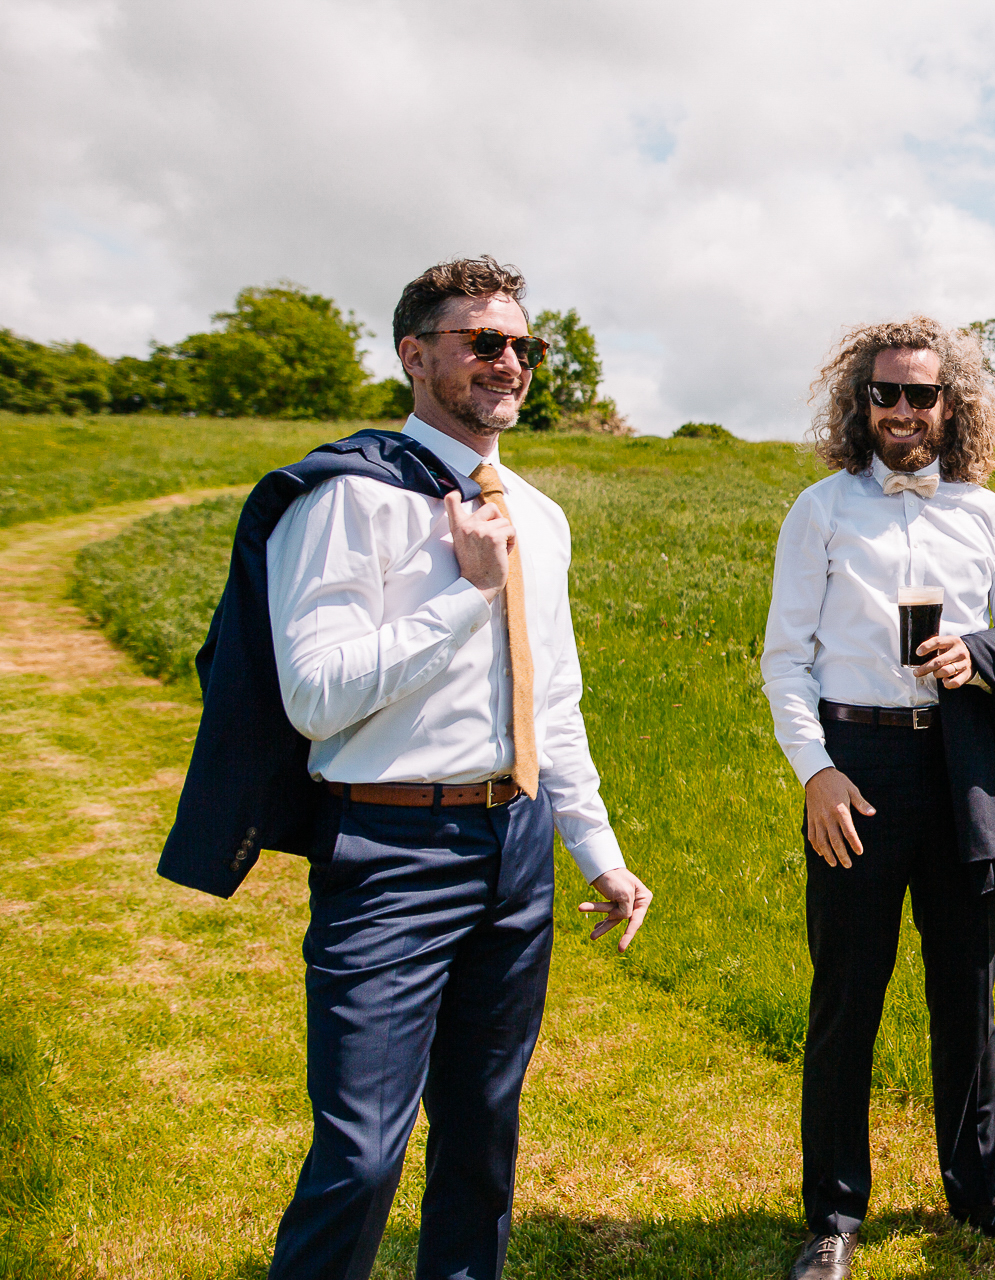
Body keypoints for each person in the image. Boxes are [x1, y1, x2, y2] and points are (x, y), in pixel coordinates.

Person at [158, 256, 652, 1280]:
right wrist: (464, 592)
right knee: (361, 1147)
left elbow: (550, 699)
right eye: (482, 340)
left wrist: (592, 847)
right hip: (388, 845)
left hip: (512, 846)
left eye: (522, 343)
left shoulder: (541, 516)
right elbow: (316, 695)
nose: (508, 360)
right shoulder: (349, 497)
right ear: (415, 354)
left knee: (482, 1132)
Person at [762, 316, 995, 1280]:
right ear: (859, 404)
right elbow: (785, 661)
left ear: (954, 405)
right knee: (847, 996)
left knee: (967, 989)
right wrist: (815, 773)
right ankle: (833, 1218)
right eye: (886, 393)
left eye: (923, 394)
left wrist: (977, 654)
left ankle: (979, 1192)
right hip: (854, 768)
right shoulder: (820, 510)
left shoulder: (985, 514)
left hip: (959, 767)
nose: (904, 411)